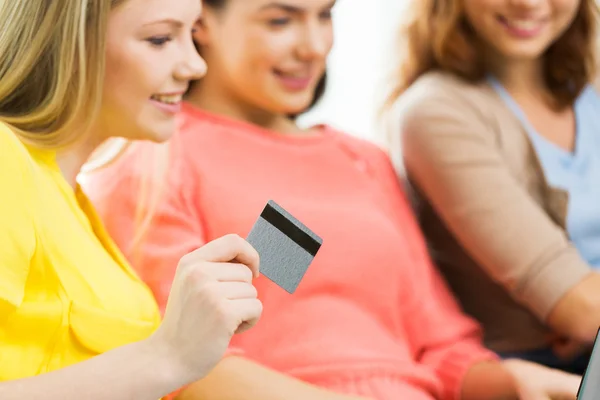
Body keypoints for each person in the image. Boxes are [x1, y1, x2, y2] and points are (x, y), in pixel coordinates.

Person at [83, 0, 583, 398]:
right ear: (202, 21)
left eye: (325, 15)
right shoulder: (152, 157)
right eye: (280, 20)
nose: (313, 46)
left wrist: (510, 382)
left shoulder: (362, 159)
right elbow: (177, 361)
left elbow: (440, 343)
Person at [0, 0, 263, 399]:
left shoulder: (75, 206)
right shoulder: (6, 160)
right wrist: (168, 355)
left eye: (191, 36)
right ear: (73, 44)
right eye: (160, 39)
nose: (195, 66)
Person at [386, 0, 600, 374]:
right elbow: (582, 311)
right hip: (546, 369)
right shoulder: (436, 111)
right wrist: (583, 309)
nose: (528, 3)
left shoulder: (590, 79)